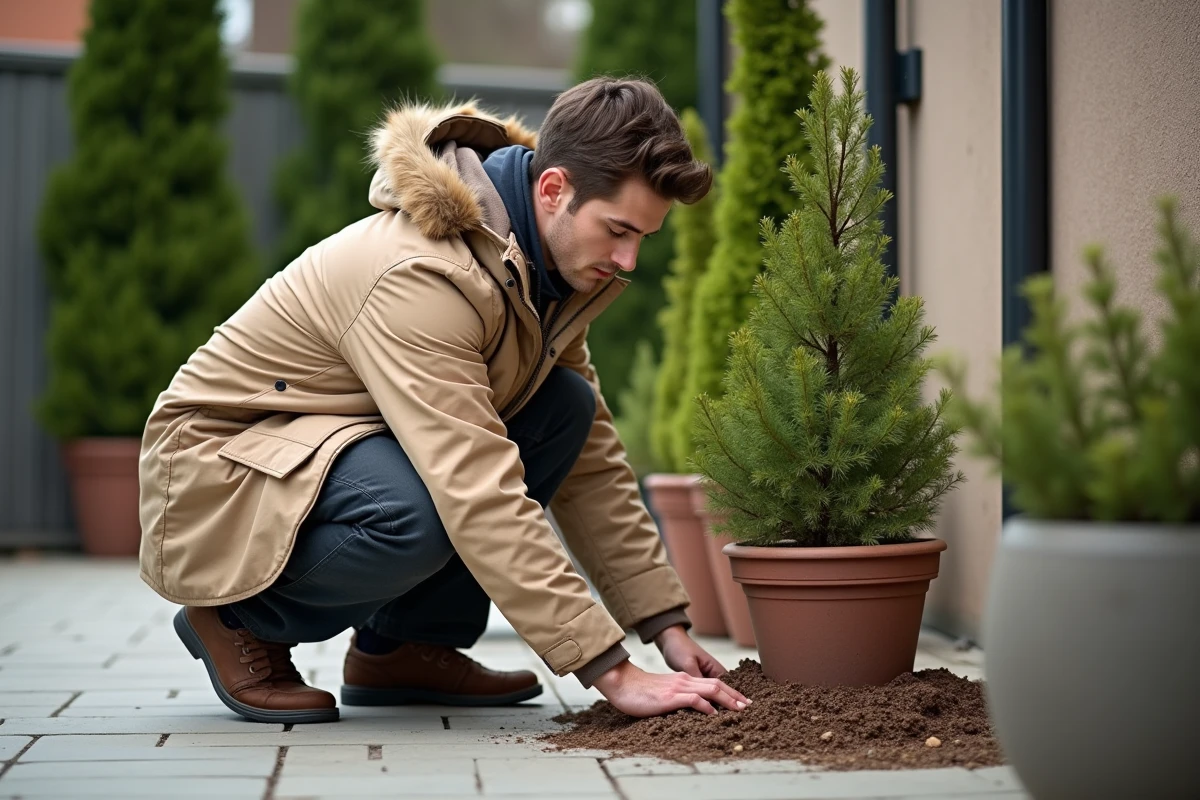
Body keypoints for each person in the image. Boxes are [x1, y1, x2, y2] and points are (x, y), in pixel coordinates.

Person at [138, 77, 751, 724]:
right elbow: (476, 484)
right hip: (219, 466)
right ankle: (238, 619)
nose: (627, 260)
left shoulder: (542, 271)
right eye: (618, 230)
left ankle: (401, 647)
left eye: (643, 238)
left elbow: (591, 462)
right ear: (553, 190)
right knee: (417, 509)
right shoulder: (426, 273)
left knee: (563, 407)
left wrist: (665, 626)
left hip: (322, 444)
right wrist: (613, 671)